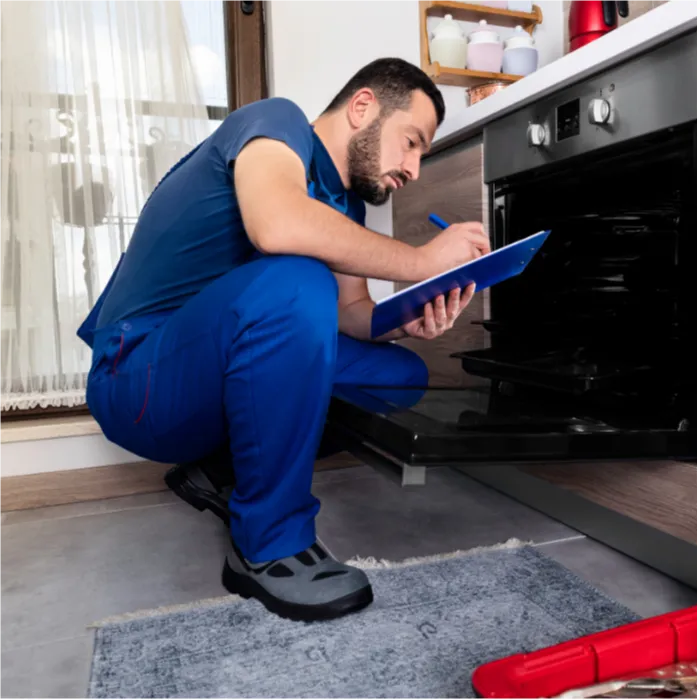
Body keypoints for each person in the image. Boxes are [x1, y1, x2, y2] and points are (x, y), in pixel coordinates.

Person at [77, 57, 490, 623]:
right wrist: (418, 261)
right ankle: (267, 545)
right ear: (363, 107)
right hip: (138, 376)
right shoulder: (275, 125)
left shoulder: (342, 205)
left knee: (399, 375)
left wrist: (412, 314)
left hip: (209, 369)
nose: (414, 168)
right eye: (411, 142)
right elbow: (276, 225)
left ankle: (221, 472)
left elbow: (353, 317)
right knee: (298, 280)